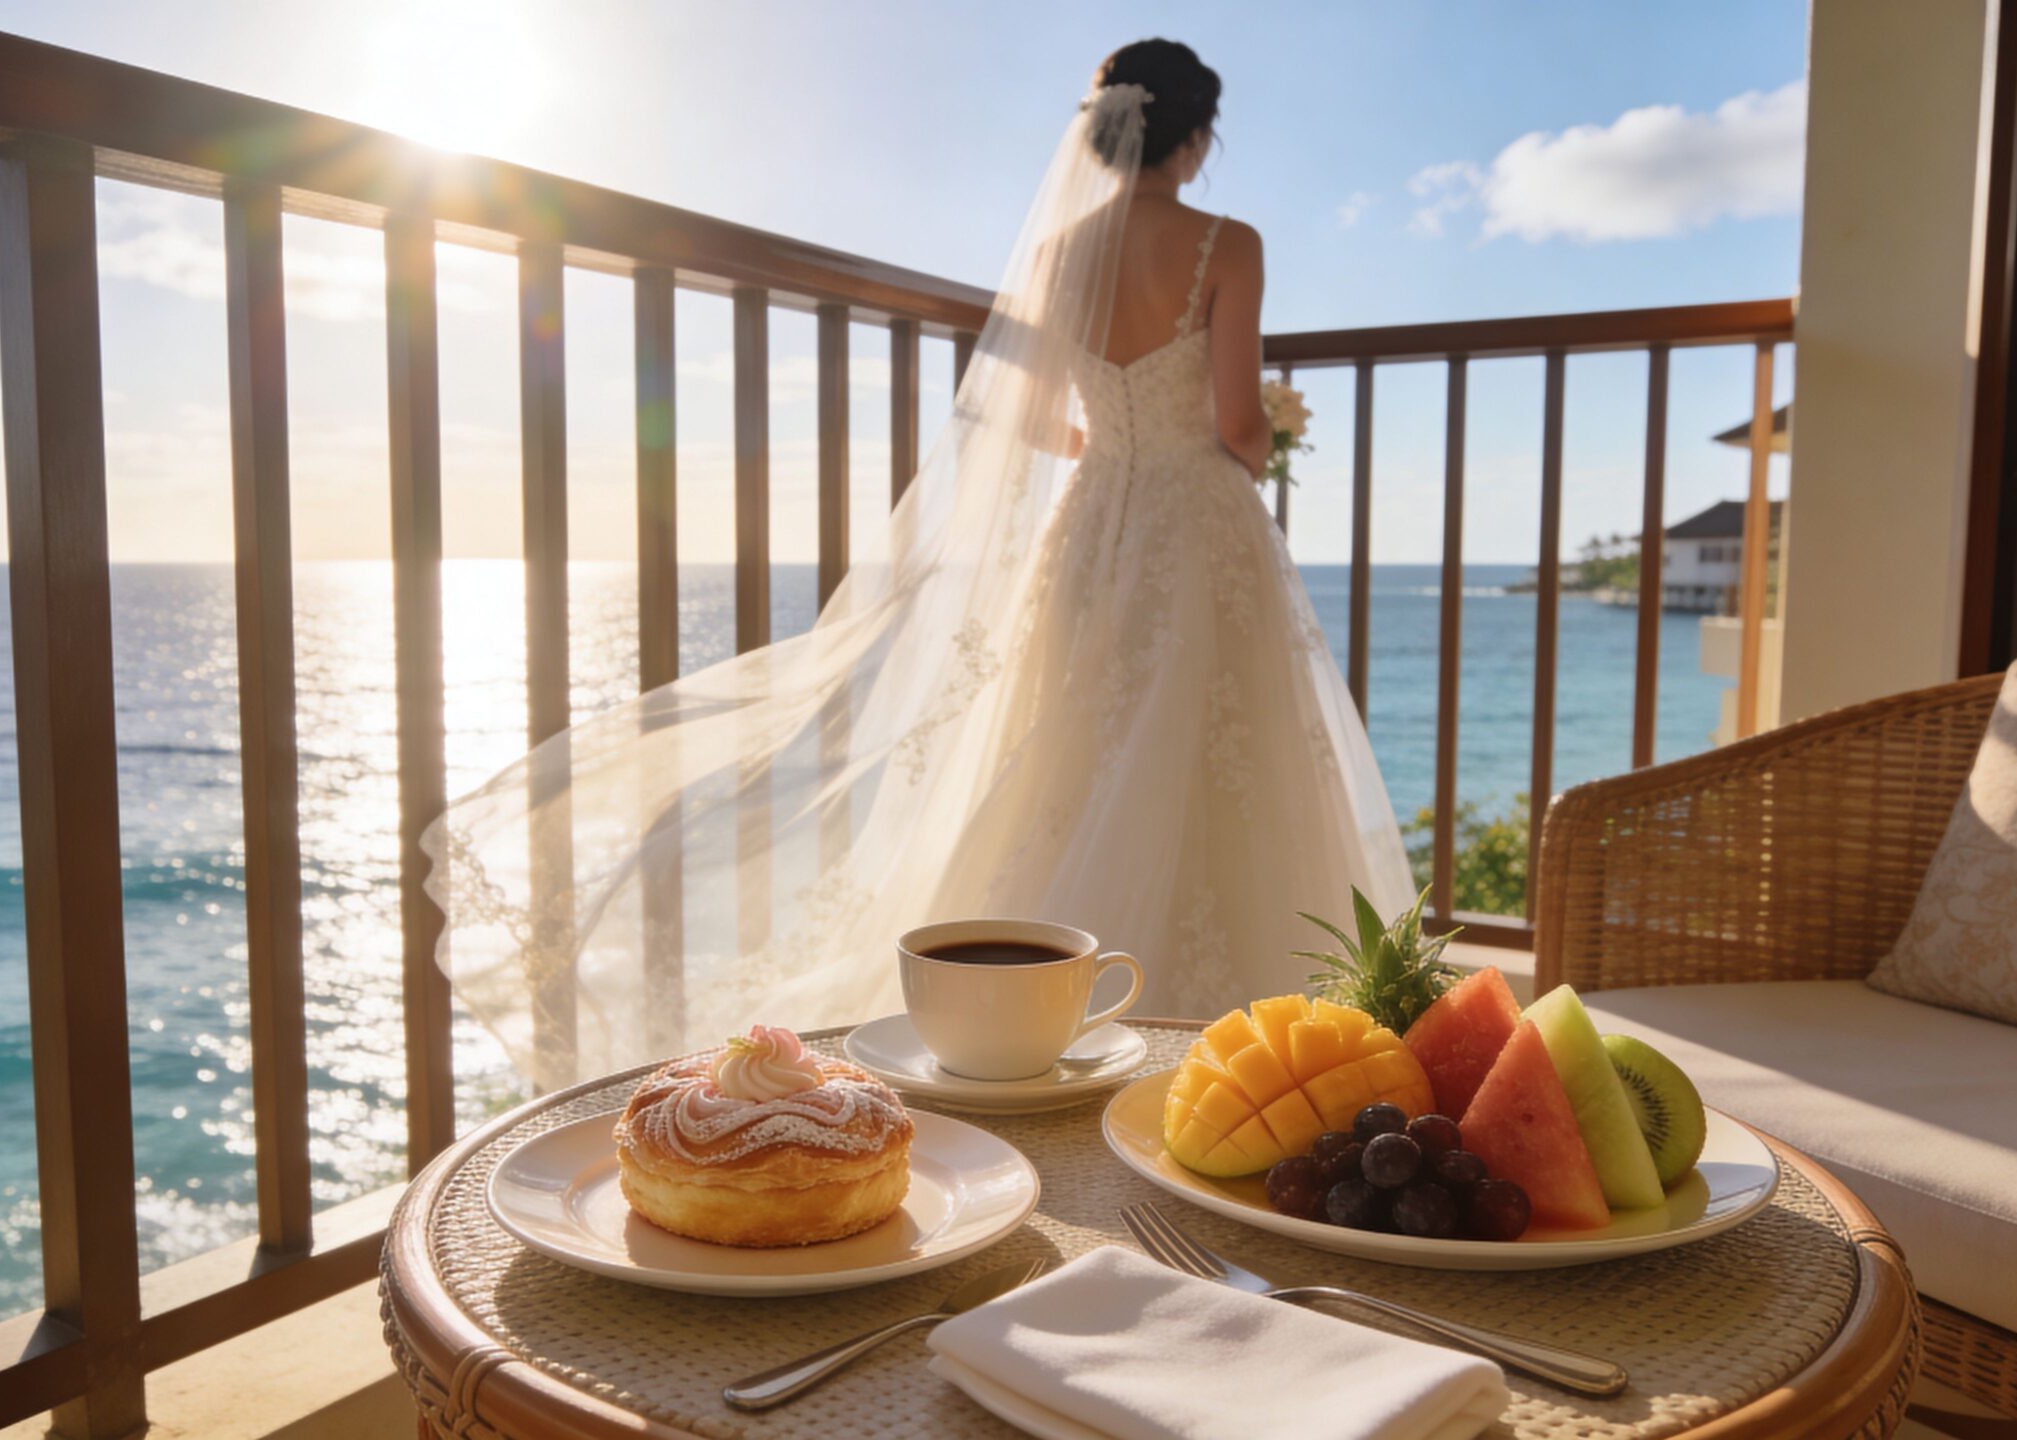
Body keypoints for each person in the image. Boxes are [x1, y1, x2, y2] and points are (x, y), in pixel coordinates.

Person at [427, 38, 1411, 1087]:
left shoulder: (1057, 254)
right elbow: (1235, 421)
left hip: (1091, 521)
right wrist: (1266, 440)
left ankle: (1029, 1023)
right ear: (1197, 135)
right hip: (1196, 519)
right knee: (1225, 753)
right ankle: (1247, 1066)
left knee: (1071, 749)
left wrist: (1113, 451)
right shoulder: (1230, 242)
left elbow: (1029, 413)